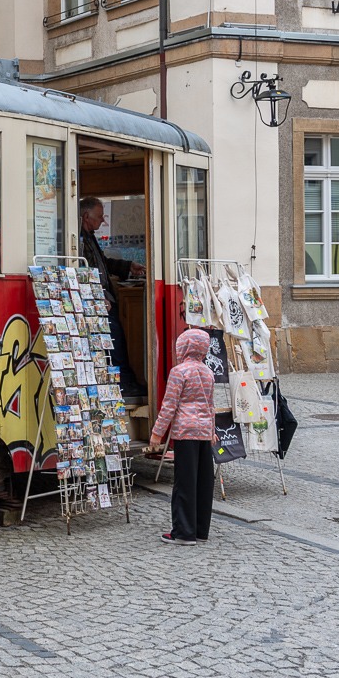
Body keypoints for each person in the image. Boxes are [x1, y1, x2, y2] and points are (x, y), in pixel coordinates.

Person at [146, 328, 216, 545]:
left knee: (185, 483)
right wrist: (212, 431)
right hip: (204, 433)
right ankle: (200, 531)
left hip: (186, 433)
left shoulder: (179, 372)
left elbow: (169, 405)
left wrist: (157, 433)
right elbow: (210, 405)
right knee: (204, 483)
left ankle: (183, 533)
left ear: (184, 347)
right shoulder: (208, 372)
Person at [79, 197, 147, 398]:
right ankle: (123, 383)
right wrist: (97, 294)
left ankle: (125, 381)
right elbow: (84, 269)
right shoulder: (79, 240)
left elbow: (103, 263)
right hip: (99, 300)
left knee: (115, 340)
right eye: (100, 217)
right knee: (114, 342)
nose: (103, 222)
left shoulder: (89, 236)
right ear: (86, 217)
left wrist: (127, 267)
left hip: (104, 297)